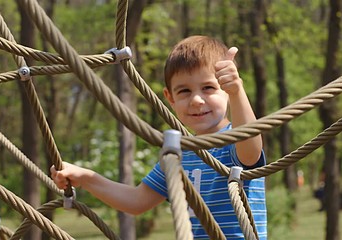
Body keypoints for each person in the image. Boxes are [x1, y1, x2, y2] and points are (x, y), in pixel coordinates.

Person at [51, 35, 267, 239]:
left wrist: (237, 92)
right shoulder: (177, 154)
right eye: (184, 91)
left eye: (208, 88)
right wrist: (86, 178)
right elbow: (137, 201)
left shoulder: (233, 139)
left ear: (226, 91)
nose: (197, 100)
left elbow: (250, 148)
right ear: (169, 98)